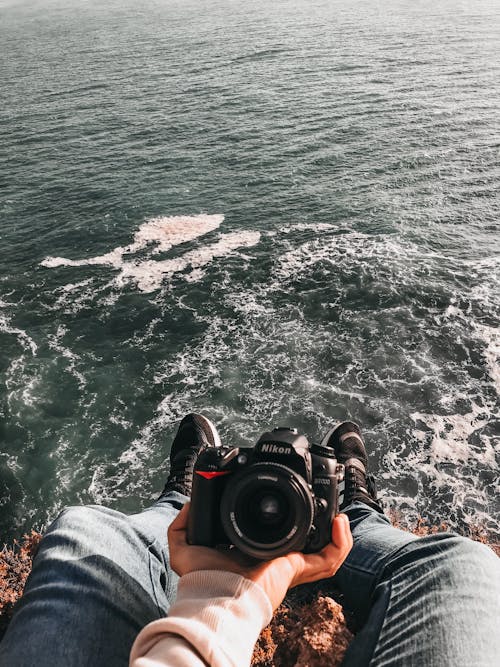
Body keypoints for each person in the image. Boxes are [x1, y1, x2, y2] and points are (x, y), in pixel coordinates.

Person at [0, 414, 498, 666]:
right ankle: (356, 510)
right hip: (320, 545)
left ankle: (180, 502)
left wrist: (214, 584)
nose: (267, 506)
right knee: (460, 565)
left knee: (88, 529)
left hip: (204, 582)